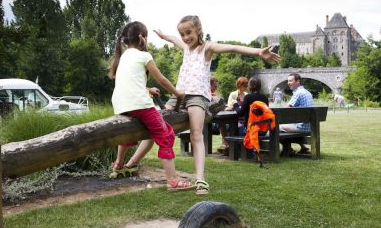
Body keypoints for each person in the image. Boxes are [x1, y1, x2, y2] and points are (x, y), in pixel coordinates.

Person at [154, 15, 281, 195]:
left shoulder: (207, 48)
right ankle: (130, 164)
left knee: (196, 135)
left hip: (197, 97)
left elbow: (233, 48)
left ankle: (200, 180)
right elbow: (175, 40)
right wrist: (165, 36)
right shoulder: (185, 47)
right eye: (182, 34)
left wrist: (259, 51)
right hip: (178, 95)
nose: (185, 37)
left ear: (198, 30)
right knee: (158, 125)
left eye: (188, 33)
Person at [109, 21, 193, 192]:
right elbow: (162, 80)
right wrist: (177, 93)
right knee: (165, 135)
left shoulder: (123, 56)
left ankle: (118, 164)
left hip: (121, 104)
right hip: (140, 104)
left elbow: (128, 83)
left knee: (127, 134)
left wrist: (147, 89)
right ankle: (173, 181)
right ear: (142, 38)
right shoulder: (144, 56)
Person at [279, 73, 314, 154]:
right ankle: (303, 147)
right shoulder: (307, 92)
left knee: (276, 127)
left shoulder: (298, 93)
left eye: (290, 81)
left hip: (302, 127)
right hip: (310, 125)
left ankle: (287, 149)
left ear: (298, 81)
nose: (288, 83)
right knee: (290, 124)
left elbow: (285, 110)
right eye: (288, 81)